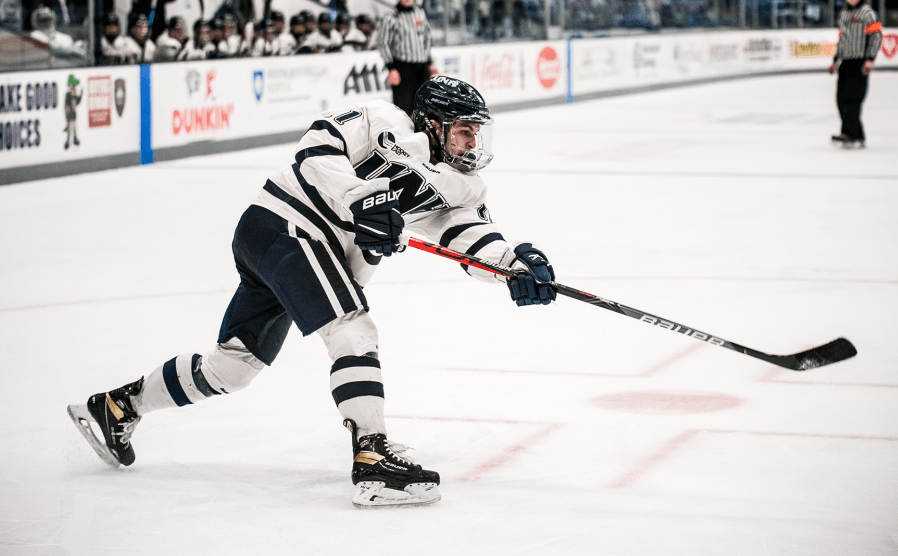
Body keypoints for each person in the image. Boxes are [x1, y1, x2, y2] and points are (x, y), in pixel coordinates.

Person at [67, 76, 557, 509]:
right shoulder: (382, 119)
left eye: (478, 131)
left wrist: (514, 268)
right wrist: (364, 200)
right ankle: (372, 454)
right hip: (285, 226)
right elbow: (317, 148)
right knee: (353, 327)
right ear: (432, 123)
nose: (473, 141)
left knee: (232, 369)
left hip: (291, 248)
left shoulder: (463, 186)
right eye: (465, 129)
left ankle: (118, 406)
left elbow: (470, 239)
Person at [829, 0, 882, 149]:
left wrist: (870, 59)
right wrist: (836, 60)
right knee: (841, 99)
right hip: (845, 62)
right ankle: (857, 135)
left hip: (860, 62)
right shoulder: (844, 14)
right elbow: (842, 39)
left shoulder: (868, 13)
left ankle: (849, 134)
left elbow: (876, 36)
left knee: (853, 99)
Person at [378, 0, 437, 116]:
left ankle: (421, 133)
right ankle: (404, 134)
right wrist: (391, 68)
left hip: (422, 67)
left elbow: (427, 39)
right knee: (403, 108)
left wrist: (430, 63)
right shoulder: (391, 16)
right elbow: (383, 43)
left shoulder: (420, 12)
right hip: (403, 68)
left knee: (425, 107)